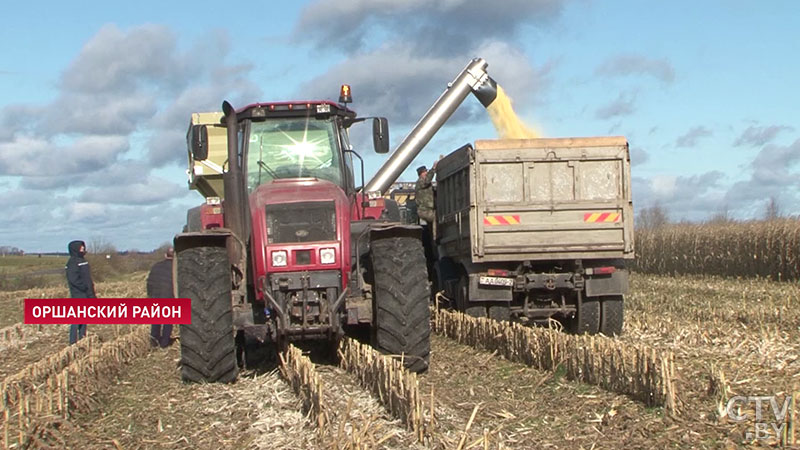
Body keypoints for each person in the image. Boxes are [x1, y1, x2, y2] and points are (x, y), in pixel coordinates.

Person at [65, 240, 96, 344]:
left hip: (87, 294)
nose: (83, 249)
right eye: (81, 248)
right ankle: (73, 343)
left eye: (83, 247)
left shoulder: (83, 261)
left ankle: (82, 340)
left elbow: (88, 278)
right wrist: (84, 287)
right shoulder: (72, 262)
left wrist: (91, 292)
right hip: (78, 295)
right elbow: (73, 279)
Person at [147, 247, 174, 348]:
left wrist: (150, 295)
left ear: (165, 255)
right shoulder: (176, 268)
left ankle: (154, 341)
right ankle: (164, 343)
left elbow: (149, 282)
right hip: (169, 296)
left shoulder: (156, 266)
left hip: (155, 296)